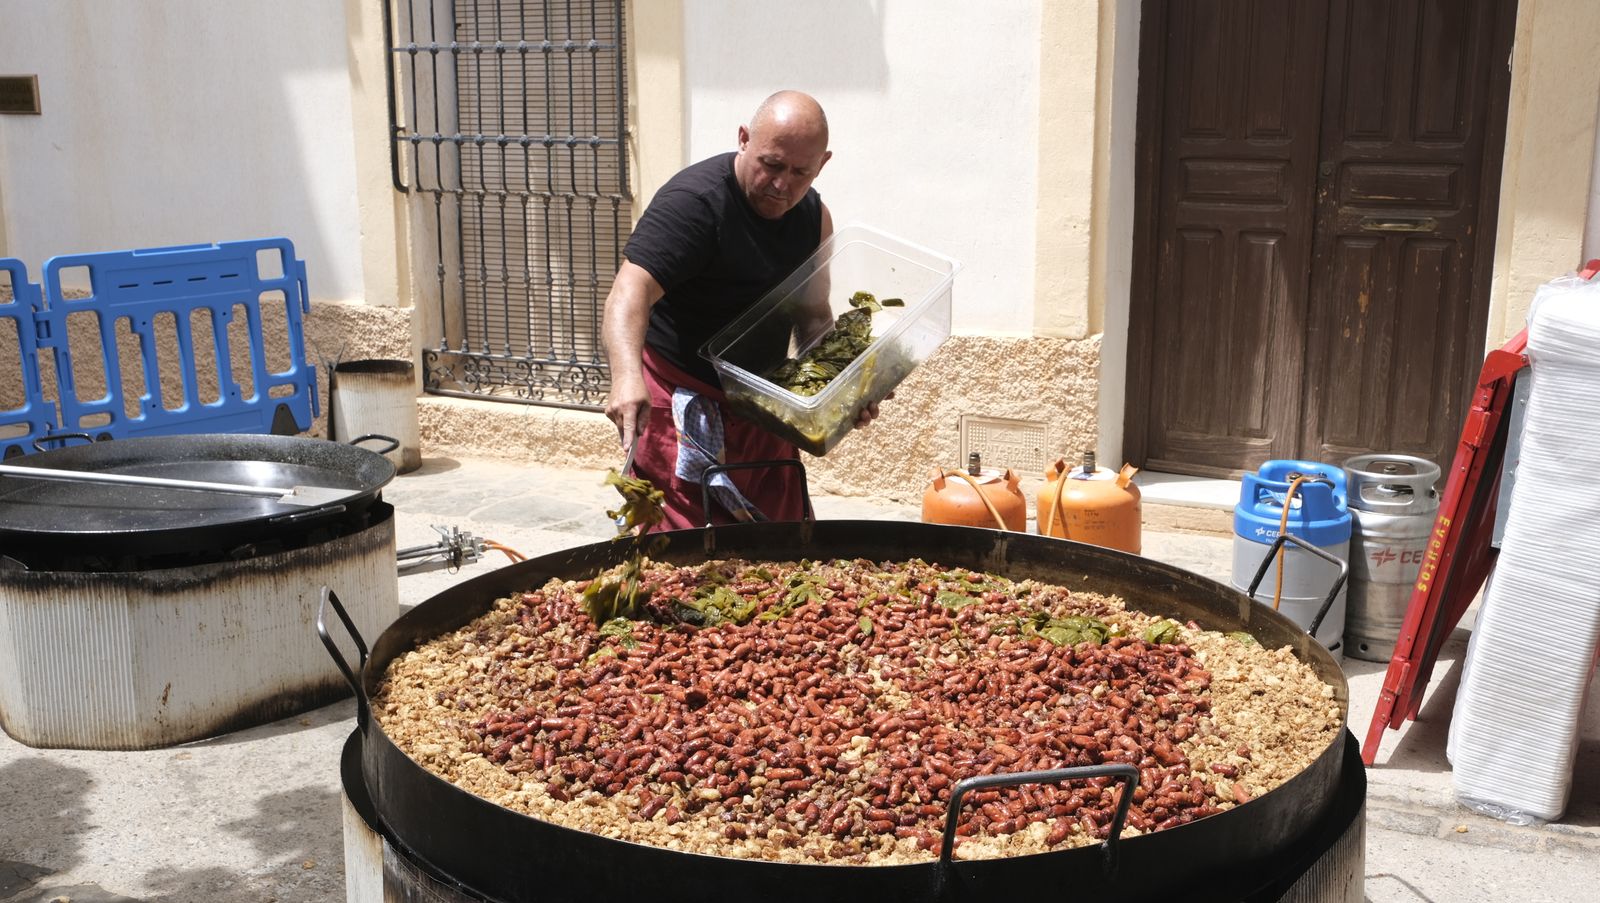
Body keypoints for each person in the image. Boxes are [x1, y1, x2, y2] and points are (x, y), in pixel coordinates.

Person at [601, 90, 884, 532]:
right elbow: (628, 292)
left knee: (779, 545)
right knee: (685, 549)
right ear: (744, 138)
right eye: (771, 164)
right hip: (683, 403)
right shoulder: (694, 204)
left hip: (763, 406)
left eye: (800, 172)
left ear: (823, 163)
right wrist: (624, 377)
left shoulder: (814, 218)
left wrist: (842, 391)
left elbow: (813, 317)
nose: (782, 184)